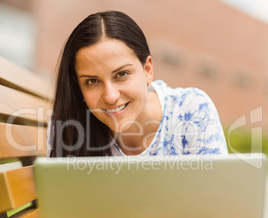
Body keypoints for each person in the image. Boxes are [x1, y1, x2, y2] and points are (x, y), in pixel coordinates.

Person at [48, 10, 228, 157]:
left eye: (122, 74)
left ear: (148, 70)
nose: (110, 97)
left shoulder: (191, 109)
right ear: (77, 85)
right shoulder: (68, 124)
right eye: (92, 81)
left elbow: (218, 195)